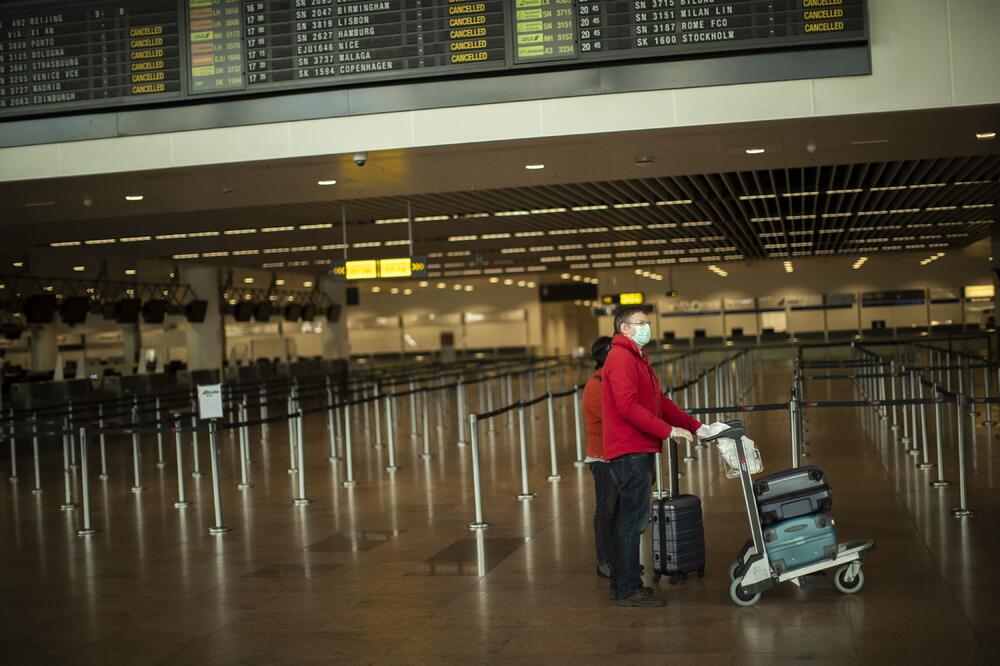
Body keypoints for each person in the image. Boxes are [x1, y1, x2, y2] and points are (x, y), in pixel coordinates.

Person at [601, 305, 724, 607]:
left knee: (631, 519)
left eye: (647, 322)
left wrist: (696, 427)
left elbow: (660, 402)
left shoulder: (638, 359)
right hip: (629, 451)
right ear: (624, 328)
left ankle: (623, 584)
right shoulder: (620, 359)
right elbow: (627, 407)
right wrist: (668, 431)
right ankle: (628, 589)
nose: (647, 327)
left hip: (637, 449)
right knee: (633, 521)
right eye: (640, 323)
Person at [583, 335, 615, 579]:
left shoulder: (613, 379)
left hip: (620, 454)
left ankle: (620, 559)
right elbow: (615, 419)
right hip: (603, 458)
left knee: (621, 510)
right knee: (607, 509)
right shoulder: (596, 384)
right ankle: (604, 560)